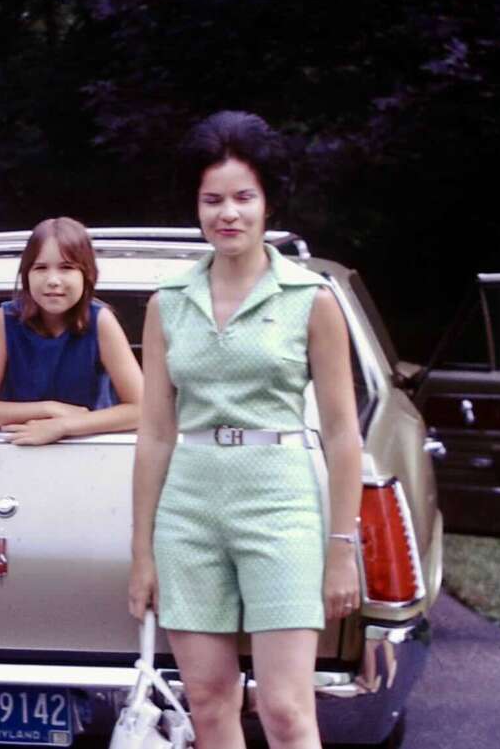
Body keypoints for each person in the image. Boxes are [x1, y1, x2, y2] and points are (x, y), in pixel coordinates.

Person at [127, 111, 362, 749]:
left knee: (287, 710)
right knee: (206, 703)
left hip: (281, 505)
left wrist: (342, 546)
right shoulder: (167, 301)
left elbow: (342, 434)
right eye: (212, 200)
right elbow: (154, 434)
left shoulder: (309, 298)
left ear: (267, 202)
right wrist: (142, 551)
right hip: (189, 513)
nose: (226, 213)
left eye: (242, 197)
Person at [0, 216, 143, 444]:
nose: (53, 280)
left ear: (87, 275)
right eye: (40, 268)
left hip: (90, 449)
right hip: (16, 449)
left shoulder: (101, 321)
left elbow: (141, 409)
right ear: (26, 276)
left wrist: (62, 426)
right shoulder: (7, 318)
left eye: (67, 267)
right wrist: (51, 409)